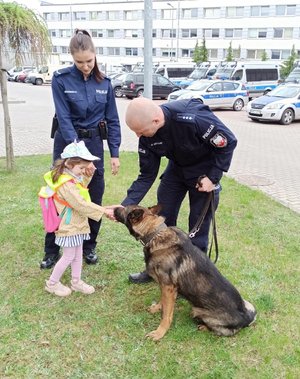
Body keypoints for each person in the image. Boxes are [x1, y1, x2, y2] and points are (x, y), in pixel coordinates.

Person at [121, 97, 238, 284]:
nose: (138, 136)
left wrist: (213, 177)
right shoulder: (146, 136)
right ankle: (157, 268)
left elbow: (228, 142)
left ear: (156, 121)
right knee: (162, 220)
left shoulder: (193, 118)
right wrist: (124, 206)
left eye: (140, 131)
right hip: (176, 170)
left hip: (203, 172)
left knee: (197, 227)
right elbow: (146, 175)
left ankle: (195, 277)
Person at [40, 29, 121, 269]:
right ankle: (52, 249)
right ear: (71, 58)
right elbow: (63, 117)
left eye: (89, 61)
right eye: (79, 62)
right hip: (68, 144)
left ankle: (89, 245)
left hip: (94, 144)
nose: (85, 66)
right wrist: (78, 155)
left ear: (95, 55)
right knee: (60, 197)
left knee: (93, 194)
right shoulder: (61, 79)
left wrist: (114, 153)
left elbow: (113, 120)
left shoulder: (105, 83)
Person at [44, 141, 117, 297]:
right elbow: (80, 203)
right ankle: (52, 283)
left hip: (77, 225)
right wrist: (104, 211)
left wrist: (86, 177)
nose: (84, 170)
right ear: (70, 164)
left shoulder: (71, 177)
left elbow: (81, 190)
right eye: (81, 168)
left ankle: (76, 282)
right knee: (69, 256)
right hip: (69, 226)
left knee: (77, 255)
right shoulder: (66, 183)